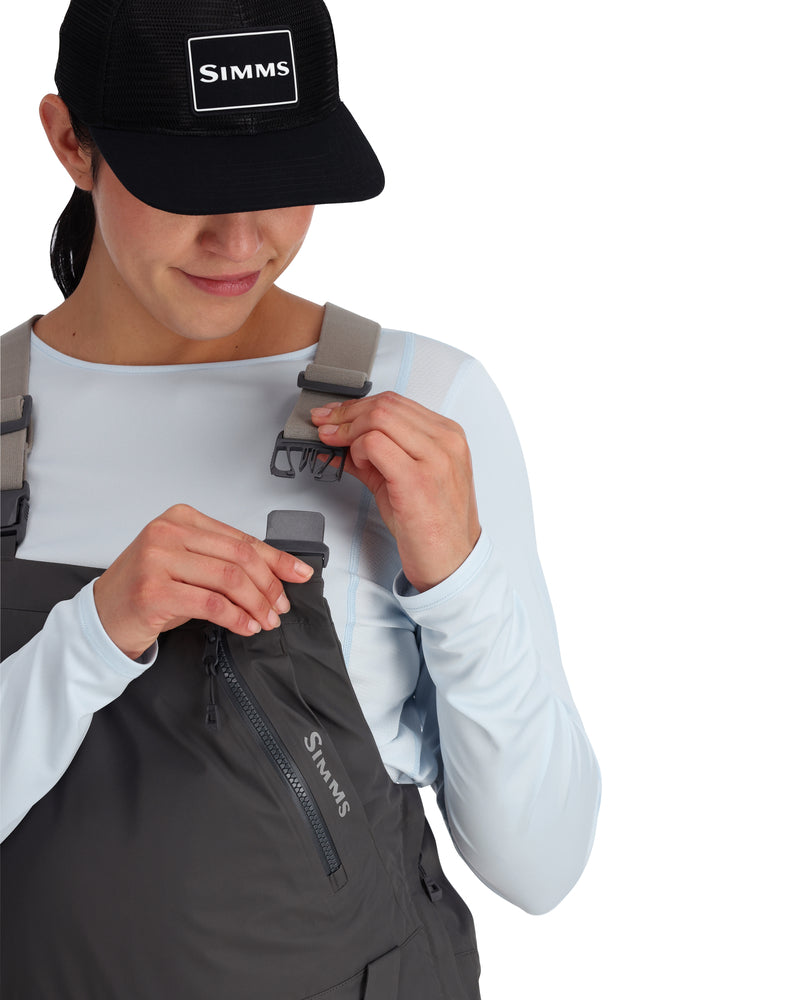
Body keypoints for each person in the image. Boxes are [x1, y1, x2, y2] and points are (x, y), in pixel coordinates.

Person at [0, 1, 600, 996]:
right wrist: (96, 633)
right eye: (190, 186)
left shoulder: (427, 401)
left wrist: (458, 581)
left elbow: (538, 866)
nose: (241, 240)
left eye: (282, 182)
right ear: (71, 142)